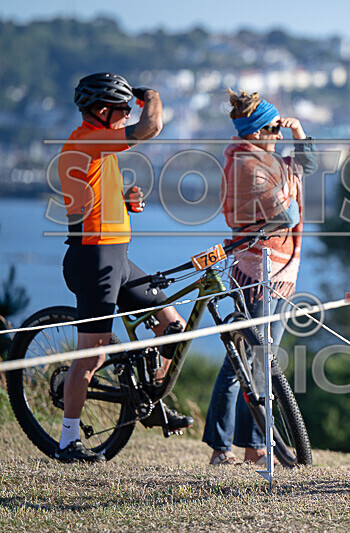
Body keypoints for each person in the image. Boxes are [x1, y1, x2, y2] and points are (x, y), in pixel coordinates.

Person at [57, 73, 193, 463]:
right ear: (101, 111)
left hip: (118, 257)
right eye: (122, 109)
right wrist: (151, 94)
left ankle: (148, 400)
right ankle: (68, 441)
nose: (127, 115)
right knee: (92, 355)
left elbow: (90, 197)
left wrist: (124, 200)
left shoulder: (101, 148)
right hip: (93, 259)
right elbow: (151, 126)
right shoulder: (86, 139)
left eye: (129, 108)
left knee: (172, 327)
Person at [203, 90, 316, 466]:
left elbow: (308, 166)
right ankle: (223, 448)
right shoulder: (248, 167)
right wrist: (292, 182)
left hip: (277, 273)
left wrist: (299, 132)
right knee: (244, 363)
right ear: (255, 132)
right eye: (273, 128)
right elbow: (287, 217)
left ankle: (252, 447)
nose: (279, 135)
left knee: (258, 363)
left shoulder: (266, 160)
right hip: (257, 274)